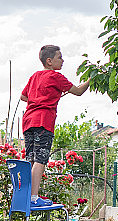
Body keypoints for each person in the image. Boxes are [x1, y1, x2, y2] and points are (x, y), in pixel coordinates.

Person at [20, 45, 89, 207]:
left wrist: (41, 98)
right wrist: (92, 79)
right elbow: (78, 91)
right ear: (49, 61)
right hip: (43, 121)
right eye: (60, 57)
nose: (63, 60)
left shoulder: (34, 76)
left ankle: (26, 196)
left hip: (28, 121)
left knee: (30, 159)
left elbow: (23, 97)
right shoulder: (56, 77)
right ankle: (33, 198)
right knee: (41, 159)